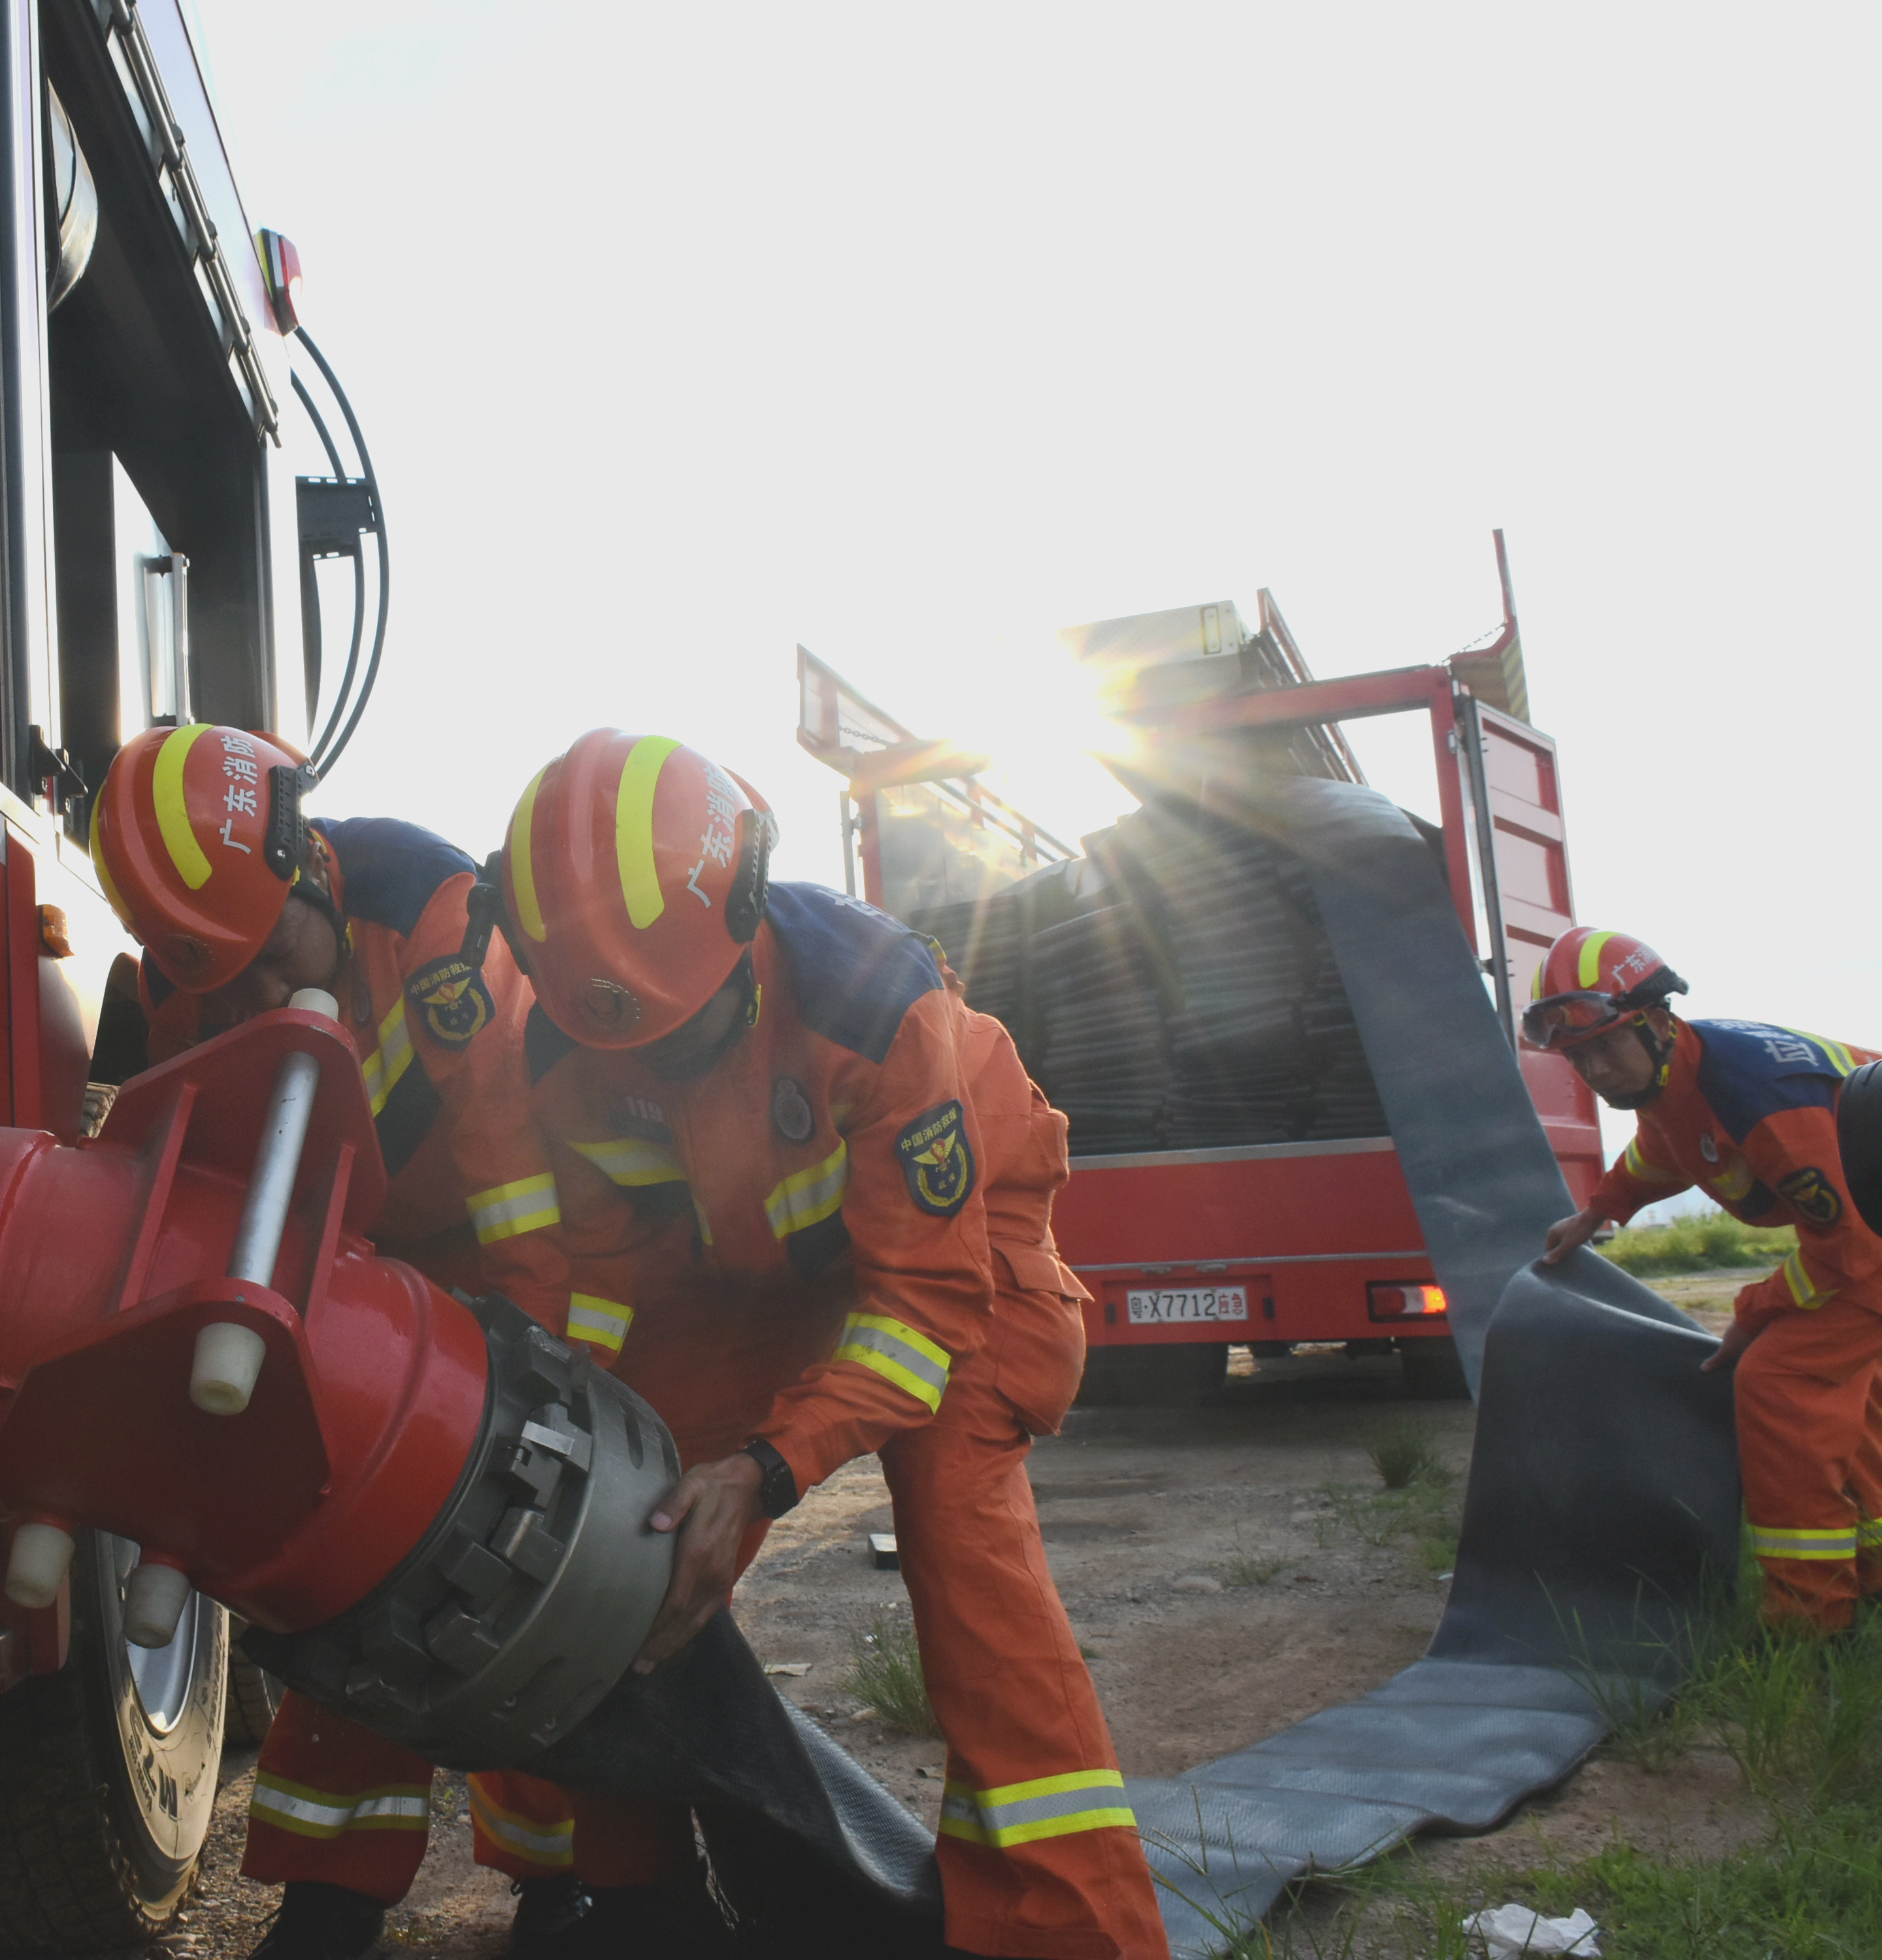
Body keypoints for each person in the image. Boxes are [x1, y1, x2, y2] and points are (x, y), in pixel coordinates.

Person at [472, 728, 1169, 1960]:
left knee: (968, 1564)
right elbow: (616, 1280)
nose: (652, 1070)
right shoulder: (572, 1049)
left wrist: (764, 1471)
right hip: (751, 1277)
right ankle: (638, 1897)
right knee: (625, 1543)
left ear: (742, 922)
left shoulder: (873, 1006)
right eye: (620, 1043)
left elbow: (919, 1316)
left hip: (955, 1263)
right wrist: (599, 1437)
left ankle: (1074, 1936)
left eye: (678, 1039)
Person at [87, 723, 586, 1959]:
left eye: (274, 964)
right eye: (224, 982)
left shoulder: (437, 925)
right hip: (344, 1269)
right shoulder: (183, 977)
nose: (257, 1000)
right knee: (346, 1572)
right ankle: (329, 1896)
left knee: (515, 1564)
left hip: (500, 1249)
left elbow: (516, 1177)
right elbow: (196, 1165)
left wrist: (540, 1369)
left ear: (309, 866)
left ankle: (556, 1880)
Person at [1530, 927, 1882, 1630]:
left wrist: (1752, 1312)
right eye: (1577, 1057)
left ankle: (1810, 1627)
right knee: (1845, 1396)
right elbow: (1665, 1149)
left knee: (1780, 1381)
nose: (1593, 1071)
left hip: (1864, 1243)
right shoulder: (1676, 1077)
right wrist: (1599, 1210)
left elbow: (1845, 1253)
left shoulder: (1756, 1090)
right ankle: (1869, 1575)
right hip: (1865, 1235)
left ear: (1657, 1020)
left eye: (1604, 1047)